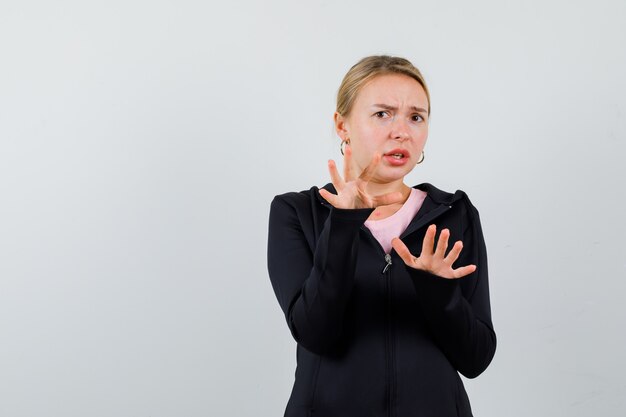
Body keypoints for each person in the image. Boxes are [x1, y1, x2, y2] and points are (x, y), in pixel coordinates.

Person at [267, 55, 496, 417]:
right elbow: (316, 333)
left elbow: (476, 358)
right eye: (382, 114)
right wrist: (343, 225)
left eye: (416, 117)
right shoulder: (297, 213)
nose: (402, 131)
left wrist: (438, 292)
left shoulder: (454, 213)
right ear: (342, 126)